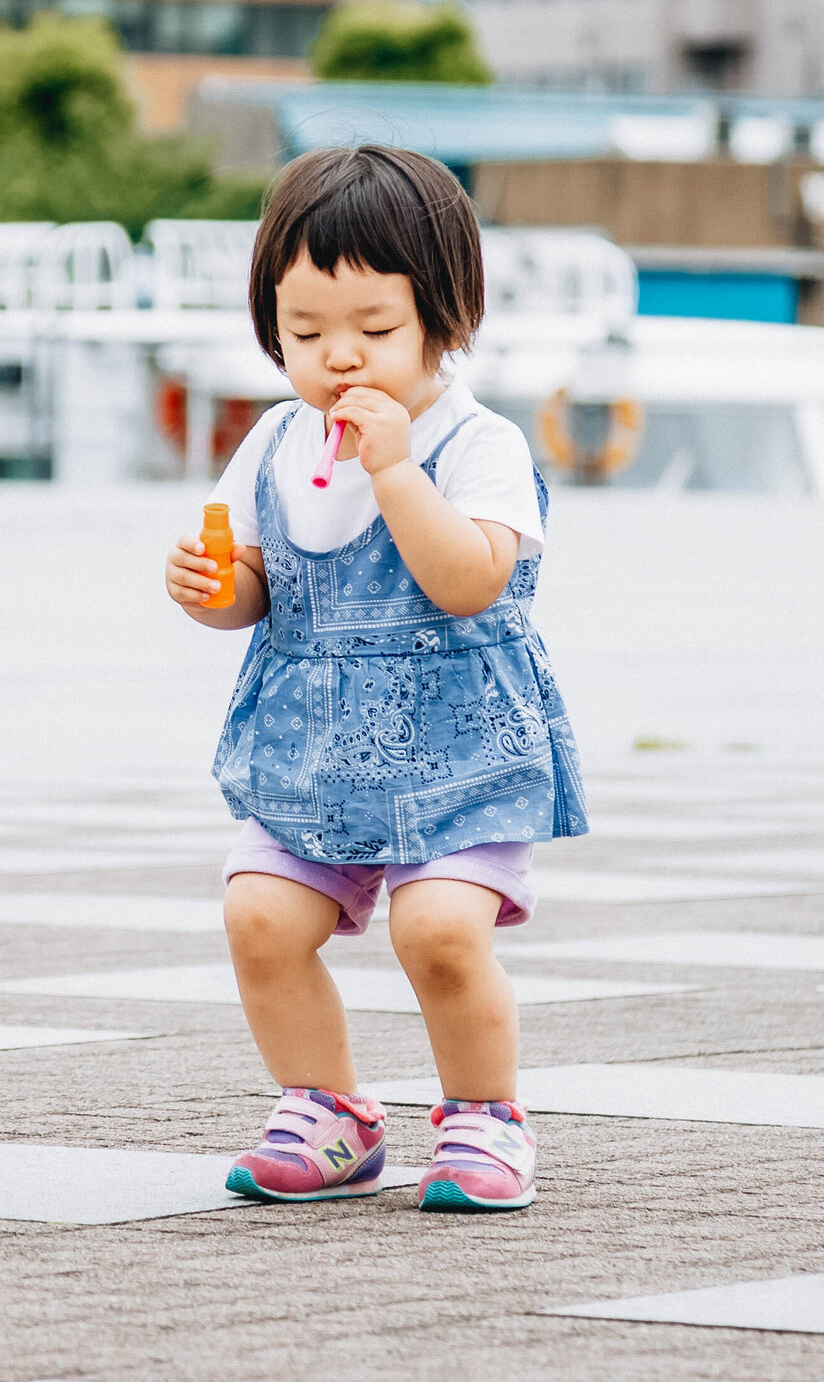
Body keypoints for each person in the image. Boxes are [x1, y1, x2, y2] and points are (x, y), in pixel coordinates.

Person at [165, 145, 587, 1214]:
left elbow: (468, 581)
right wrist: (212, 587)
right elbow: (254, 587)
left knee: (438, 930)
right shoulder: (274, 441)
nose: (338, 360)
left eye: (373, 331)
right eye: (304, 335)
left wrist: (395, 469)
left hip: (458, 749)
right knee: (259, 916)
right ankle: (330, 1113)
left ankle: (485, 1119)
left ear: (447, 317)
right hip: (308, 750)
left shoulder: (476, 444)